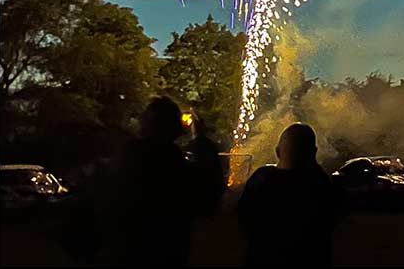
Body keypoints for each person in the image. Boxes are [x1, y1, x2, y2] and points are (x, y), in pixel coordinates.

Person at [107, 96, 223, 266]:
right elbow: (208, 196)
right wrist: (201, 139)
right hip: (168, 252)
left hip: (127, 251)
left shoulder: (125, 160)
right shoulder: (176, 167)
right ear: (175, 129)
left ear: (144, 124)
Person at [237, 123, 341, 267]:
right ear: (313, 152)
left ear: (278, 152)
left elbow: (243, 217)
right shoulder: (321, 185)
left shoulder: (262, 180)